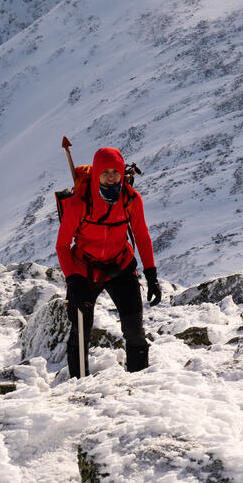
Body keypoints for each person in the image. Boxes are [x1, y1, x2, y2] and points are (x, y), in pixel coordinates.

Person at [56, 146, 160, 378]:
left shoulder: (131, 199)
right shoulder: (79, 203)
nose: (111, 177)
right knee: (80, 332)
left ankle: (139, 384)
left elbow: (142, 237)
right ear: (97, 174)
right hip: (84, 270)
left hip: (120, 265)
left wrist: (151, 274)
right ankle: (78, 386)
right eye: (105, 172)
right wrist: (72, 281)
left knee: (134, 331)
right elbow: (62, 246)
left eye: (116, 171)